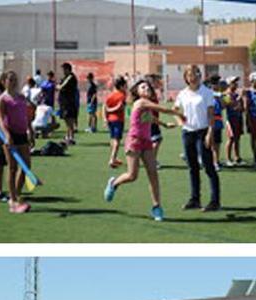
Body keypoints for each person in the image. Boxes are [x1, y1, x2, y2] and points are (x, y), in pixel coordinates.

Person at [104, 79, 185, 222]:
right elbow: (163, 109)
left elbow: (151, 118)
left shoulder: (146, 107)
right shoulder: (140, 102)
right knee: (132, 175)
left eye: (148, 87)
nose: (146, 88)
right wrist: (177, 113)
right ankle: (113, 183)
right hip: (134, 141)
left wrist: (164, 125)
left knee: (153, 174)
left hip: (146, 142)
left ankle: (157, 207)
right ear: (137, 91)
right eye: (143, 87)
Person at [174, 65, 220, 212]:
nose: (192, 77)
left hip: (203, 132)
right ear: (186, 78)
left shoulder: (206, 92)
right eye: (189, 74)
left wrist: (210, 133)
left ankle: (215, 201)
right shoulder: (182, 94)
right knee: (192, 167)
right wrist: (179, 122)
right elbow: (175, 110)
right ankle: (195, 199)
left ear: (199, 75)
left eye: (195, 73)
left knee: (208, 166)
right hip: (188, 133)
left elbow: (211, 115)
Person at [0, 70, 35, 214]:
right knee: (12, 168)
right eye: (10, 79)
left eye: (14, 79)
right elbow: (0, 119)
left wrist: (30, 131)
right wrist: (6, 135)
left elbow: (26, 116)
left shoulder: (21, 97)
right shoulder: (2, 99)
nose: (13, 82)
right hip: (10, 135)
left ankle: (16, 195)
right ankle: (13, 201)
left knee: (26, 167)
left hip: (22, 134)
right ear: (4, 81)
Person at [105, 76, 128, 168]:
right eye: (125, 85)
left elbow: (105, 106)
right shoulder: (122, 95)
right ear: (121, 86)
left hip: (110, 120)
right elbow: (120, 107)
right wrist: (111, 110)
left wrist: (106, 116)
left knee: (112, 138)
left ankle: (114, 157)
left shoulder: (110, 95)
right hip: (118, 119)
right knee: (117, 140)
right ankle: (112, 159)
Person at [224, 76, 245, 167]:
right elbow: (231, 104)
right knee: (231, 139)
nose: (236, 84)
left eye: (236, 82)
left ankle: (237, 157)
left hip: (238, 118)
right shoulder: (226, 95)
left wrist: (241, 102)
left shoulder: (236, 94)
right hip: (231, 119)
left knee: (237, 138)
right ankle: (228, 159)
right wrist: (240, 97)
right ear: (229, 84)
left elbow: (241, 108)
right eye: (233, 82)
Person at [57, 62, 79, 145]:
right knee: (66, 120)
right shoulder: (65, 77)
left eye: (64, 69)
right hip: (64, 102)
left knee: (69, 120)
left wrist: (58, 86)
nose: (62, 70)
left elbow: (60, 87)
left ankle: (71, 137)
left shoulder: (70, 77)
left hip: (68, 102)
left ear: (67, 69)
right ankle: (68, 136)